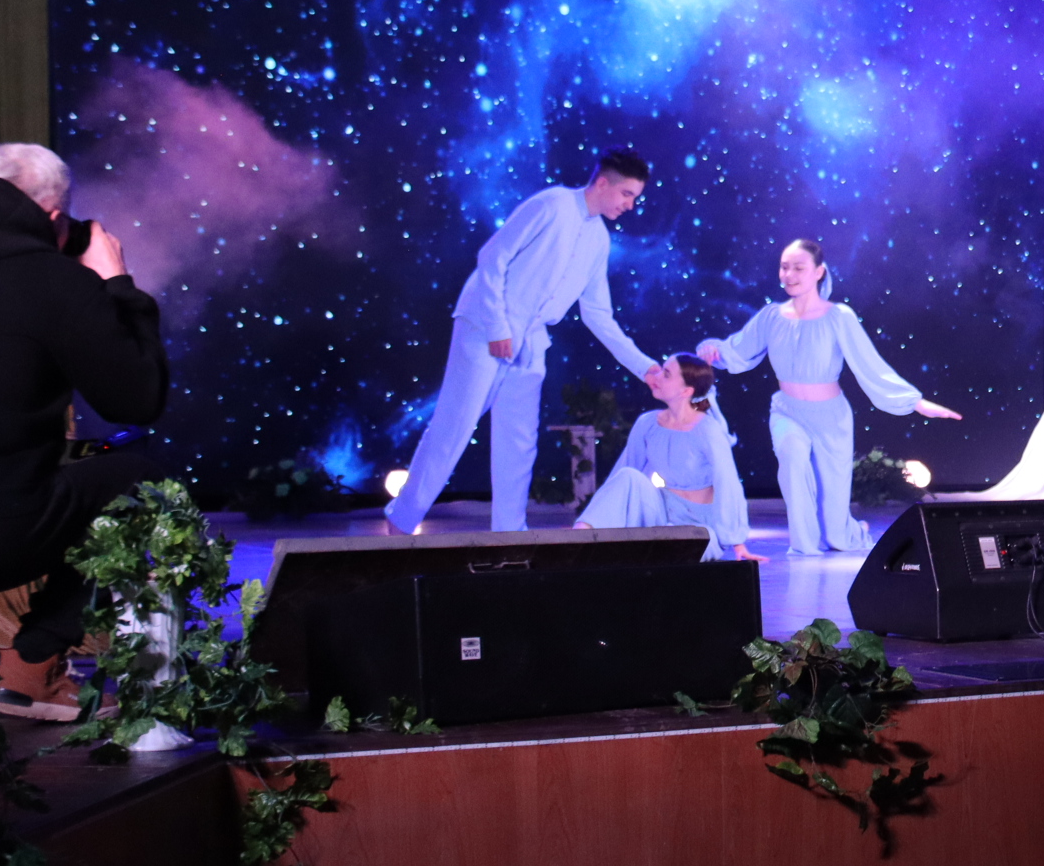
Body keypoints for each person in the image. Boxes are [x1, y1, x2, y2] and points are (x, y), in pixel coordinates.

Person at [0, 143, 167, 719]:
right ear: (55, 219)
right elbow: (137, 400)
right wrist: (116, 285)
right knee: (143, 480)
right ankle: (31, 663)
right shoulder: (52, 280)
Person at [385, 150, 658, 534]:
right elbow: (493, 256)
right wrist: (498, 326)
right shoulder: (552, 204)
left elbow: (598, 314)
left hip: (530, 340)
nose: (630, 205)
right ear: (602, 183)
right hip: (485, 324)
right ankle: (402, 519)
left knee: (519, 442)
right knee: (454, 426)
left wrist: (644, 366)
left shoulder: (598, 239)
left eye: (634, 197)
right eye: (627, 194)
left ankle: (510, 533)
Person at [699, 238, 961, 555]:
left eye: (798, 268)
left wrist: (915, 403)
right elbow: (738, 350)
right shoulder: (771, 316)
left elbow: (869, 364)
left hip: (830, 416)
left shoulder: (838, 316)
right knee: (792, 458)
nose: (789, 274)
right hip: (786, 411)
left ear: (819, 271)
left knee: (834, 519)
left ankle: (848, 531)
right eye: (784, 267)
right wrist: (714, 350)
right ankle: (804, 545)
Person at [574, 354, 758, 563]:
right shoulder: (647, 423)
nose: (657, 377)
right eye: (661, 370)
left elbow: (728, 483)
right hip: (661, 511)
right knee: (627, 476)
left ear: (686, 391)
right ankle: (578, 540)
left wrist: (737, 542)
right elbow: (623, 476)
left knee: (680, 545)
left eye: (667, 374)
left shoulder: (707, 429)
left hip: (700, 523)